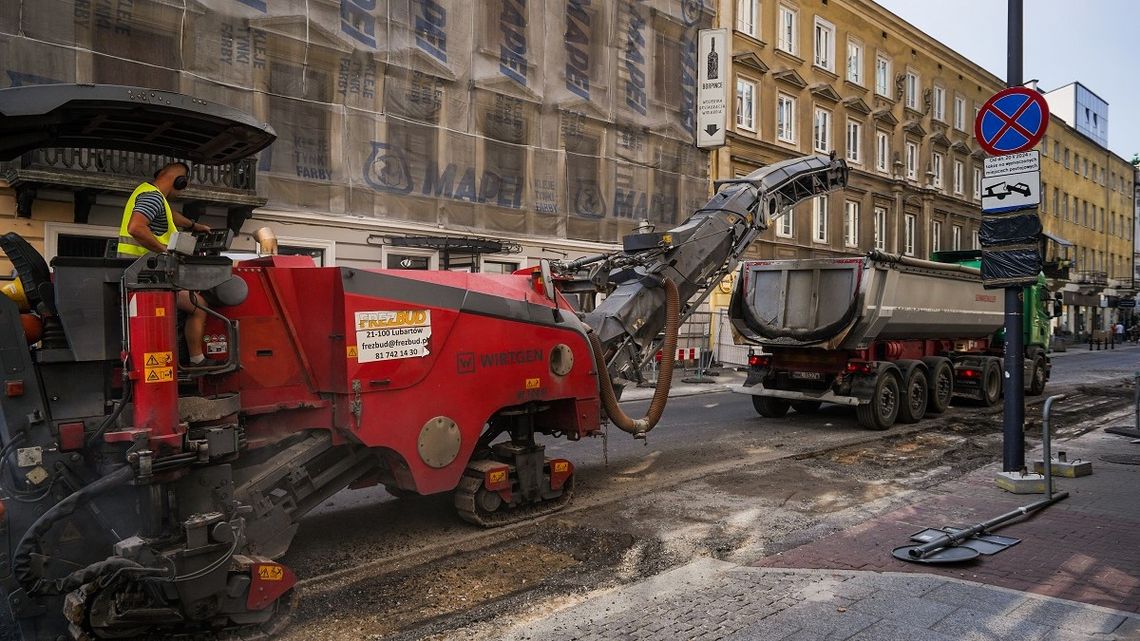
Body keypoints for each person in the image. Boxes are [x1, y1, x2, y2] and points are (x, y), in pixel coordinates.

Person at [117, 162, 212, 365]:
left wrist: (196, 226)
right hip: (147, 279)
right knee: (199, 305)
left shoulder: (148, 193)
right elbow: (136, 228)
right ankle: (197, 359)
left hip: (138, 275)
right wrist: (165, 250)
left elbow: (172, 215)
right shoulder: (152, 197)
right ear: (181, 181)